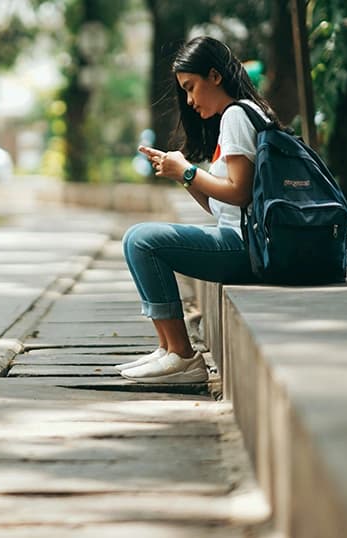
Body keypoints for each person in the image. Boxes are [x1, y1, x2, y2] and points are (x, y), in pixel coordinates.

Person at [117, 36, 281, 383]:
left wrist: (189, 171)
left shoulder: (237, 115)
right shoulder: (239, 115)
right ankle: (167, 350)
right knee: (137, 238)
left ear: (215, 76)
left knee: (142, 241)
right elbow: (222, 204)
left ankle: (181, 355)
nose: (189, 101)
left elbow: (239, 193)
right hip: (242, 240)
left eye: (191, 88)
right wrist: (183, 177)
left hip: (246, 247)